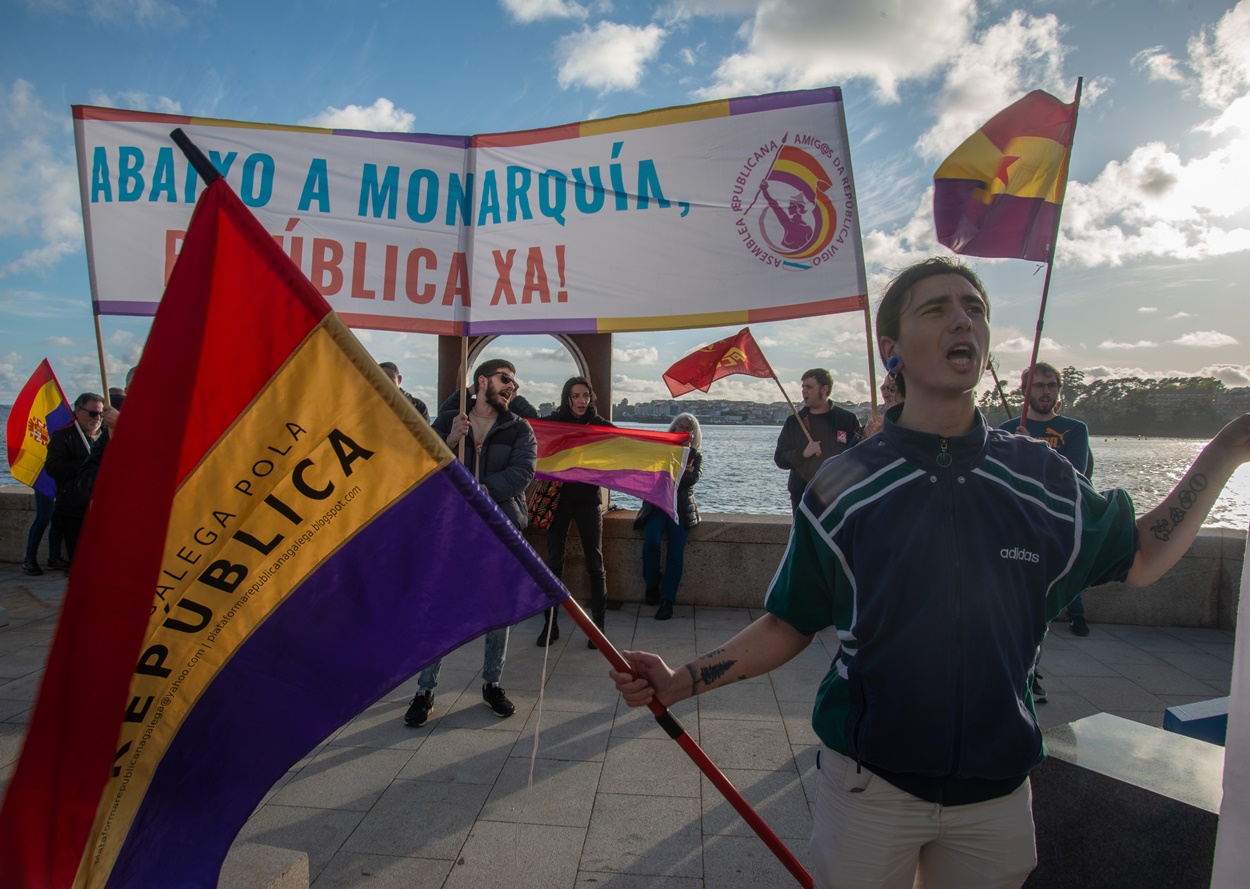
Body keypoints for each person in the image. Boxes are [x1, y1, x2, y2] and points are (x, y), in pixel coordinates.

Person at [611, 256, 1250, 889]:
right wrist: (681, 681)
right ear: (892, 348)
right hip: (868, 787)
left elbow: (1140, 556)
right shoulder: (842, 489)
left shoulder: (1043, 477)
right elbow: (790, 621)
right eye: (937, 309)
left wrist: (1229, 447)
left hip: (996, 797)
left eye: (974, 309)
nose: (962, 322)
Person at [403, 359, 536, 727]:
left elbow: (522, 473)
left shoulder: (519, 428)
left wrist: (480, 490)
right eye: (506, 379)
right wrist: (448, 442)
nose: (513, 386)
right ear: (482, 381)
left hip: (499, 527)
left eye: (515, 383)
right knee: (439, 610)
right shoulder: (448, 421)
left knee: (499, 612)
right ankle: (425, 689)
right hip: (451, 529)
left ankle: (492, 684)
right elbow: (421, 465)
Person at [1001, 362, 1093, 638]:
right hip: (1022, 519)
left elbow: (1073, 472)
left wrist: (1033, 448)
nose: (1046, 391)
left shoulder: (1075, 429)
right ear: (1025, 392)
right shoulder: (1008, 429)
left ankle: (1076, 615)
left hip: (1059, 518)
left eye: (1051, 385)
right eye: (1038, 385)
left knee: (1063, 576)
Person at [537, 376, 614, 648]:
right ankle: (550, 625)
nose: (582, 401)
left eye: (585, 395)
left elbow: (627, 445)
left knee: (595, 563)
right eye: (576, 396)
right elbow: (528, 430)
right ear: (567, 398)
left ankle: (598, 628)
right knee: (554, 564)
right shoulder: (554, 421)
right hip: (558, 501)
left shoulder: (600, 425)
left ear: (591, 397)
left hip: (587, 502)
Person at [635, 413, 702, 620]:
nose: (682, 431)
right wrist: (677, 468)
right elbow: (649, 474)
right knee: (652, 542)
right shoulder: (659, 451)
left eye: (687, 428)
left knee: (675, 552)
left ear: (693, 435)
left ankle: (667, 601)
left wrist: (673, 468)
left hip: (681, 509)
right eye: (678, 427)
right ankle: (652, 584)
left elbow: (691, 479)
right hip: (657, 506)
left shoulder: (695, 456)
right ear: (672, 429)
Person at [773, 368, 861, 512]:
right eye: (803, 387)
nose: (804, 391)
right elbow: (779, 458)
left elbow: (859, 456)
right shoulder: (794, 422)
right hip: (802, 496)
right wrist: (803, 454)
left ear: (824, 389)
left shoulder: (847, 419)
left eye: (809, 387)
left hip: (837, 496)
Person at [45, 393, 109, 561]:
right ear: (78, 411)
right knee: (78, 558)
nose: (97, 419)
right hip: (74, 506)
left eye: (101, 414)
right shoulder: (63, 436)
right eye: (93, 414)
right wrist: (87, 462)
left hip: (101, 506)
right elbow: (53, 467)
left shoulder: (105, 435)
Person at [21, 491, 65, 575]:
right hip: (44, 481)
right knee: (43, 518)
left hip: (58, 480)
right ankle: (29, 559)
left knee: (58, 516)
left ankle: (54, 558)